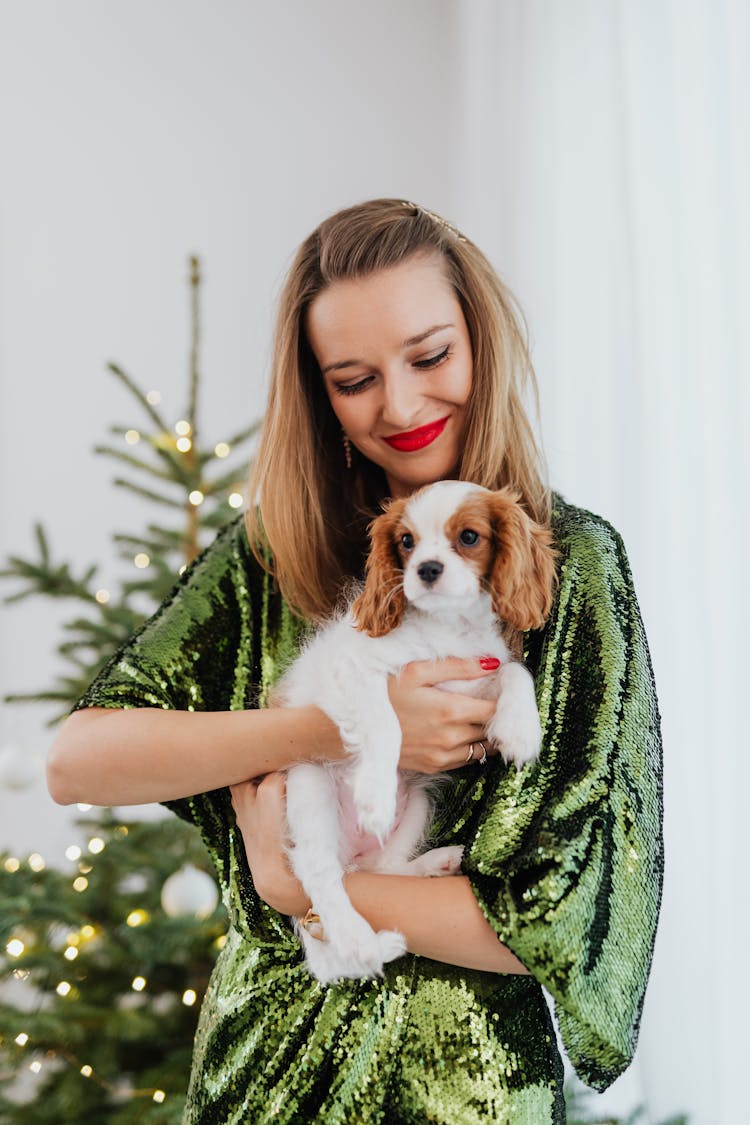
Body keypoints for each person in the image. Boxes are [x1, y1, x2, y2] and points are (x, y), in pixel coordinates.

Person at [46, 198, 663, 1124]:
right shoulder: (271, 552)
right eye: (354, 377)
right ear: (320, 394)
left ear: (480, 344)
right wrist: (333, 726)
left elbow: (551, 926)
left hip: (468, 1092)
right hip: (264, 1071)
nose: (402, 405)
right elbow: (77, 760)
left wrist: (302, 885)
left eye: (429, 356)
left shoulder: (570, 562)